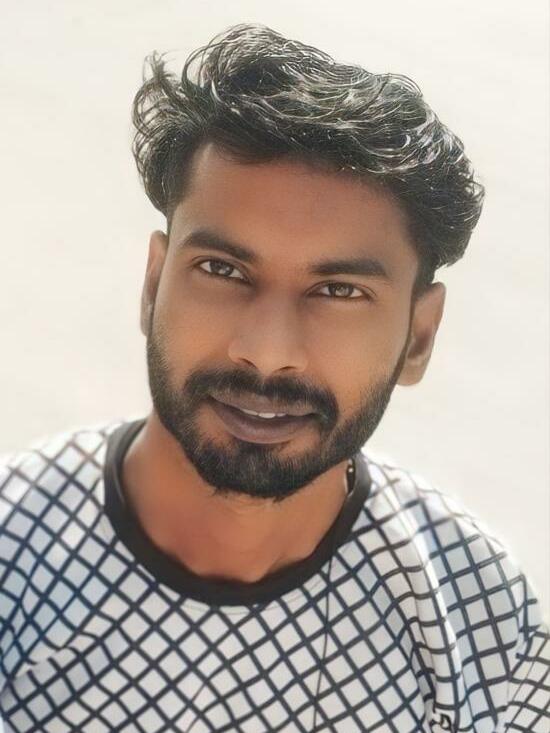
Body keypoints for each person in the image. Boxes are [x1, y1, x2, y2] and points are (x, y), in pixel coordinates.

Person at [0, 23, 548, 733]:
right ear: (154, 283)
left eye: (338, 291)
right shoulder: (15, 551)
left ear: (418, 336)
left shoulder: (485, 629)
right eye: (223, 270)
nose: (265, 352)